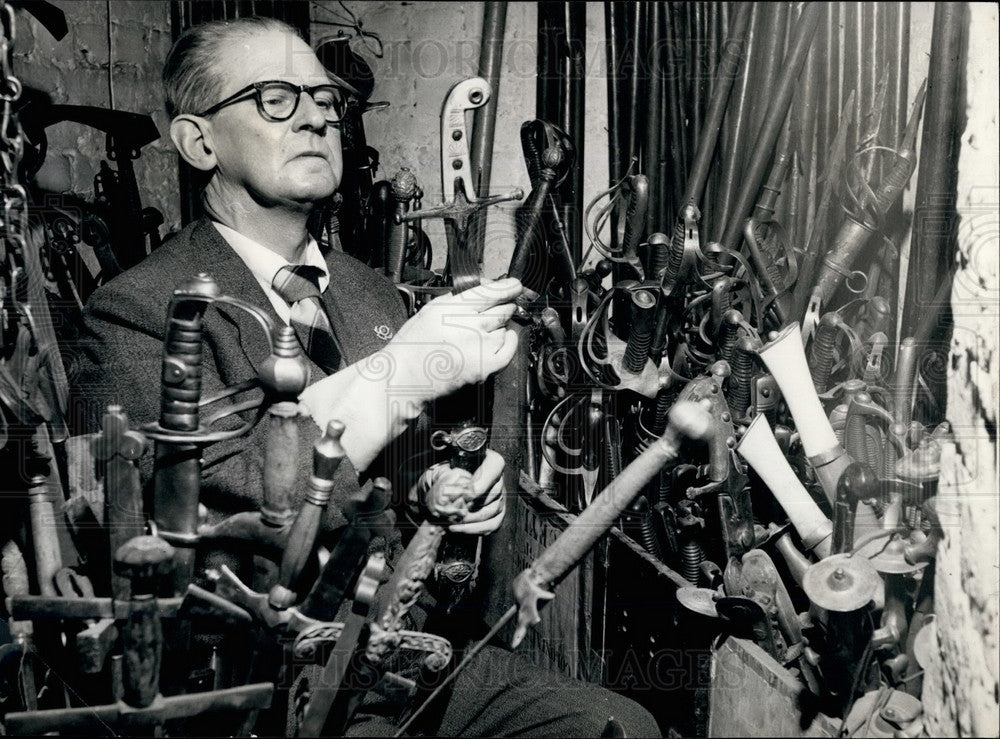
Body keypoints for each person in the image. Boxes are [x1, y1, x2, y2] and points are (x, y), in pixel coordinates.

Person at [71, 16, 660, 737]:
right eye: (276, 97)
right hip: (261, 685)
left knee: (618, 724)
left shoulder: (369, 291)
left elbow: (402, 480)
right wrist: (398, 372)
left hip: (397, 650)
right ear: (199, 142)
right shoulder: (135, 312)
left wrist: (450, 492)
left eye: (326, 99)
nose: (318, 114)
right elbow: (183, 547)